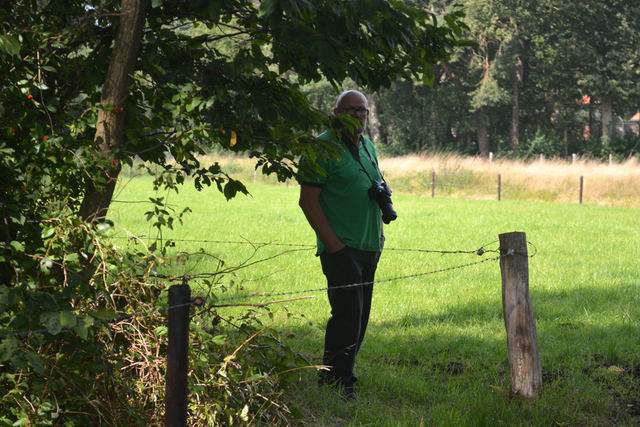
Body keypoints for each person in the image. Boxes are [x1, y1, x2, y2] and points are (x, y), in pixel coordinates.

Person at [298, 90, 387, 400]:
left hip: (368, 245)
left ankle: (343, 373)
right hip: (341, 246)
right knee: (346, 315)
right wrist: (335, 246)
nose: (357, 115)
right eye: (350, 110)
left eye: (362, 110)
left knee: (360, 315)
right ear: (335, 113)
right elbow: (307, 201)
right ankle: (335, 381)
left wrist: (379, 236)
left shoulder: (366, 146)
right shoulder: (321, 147)